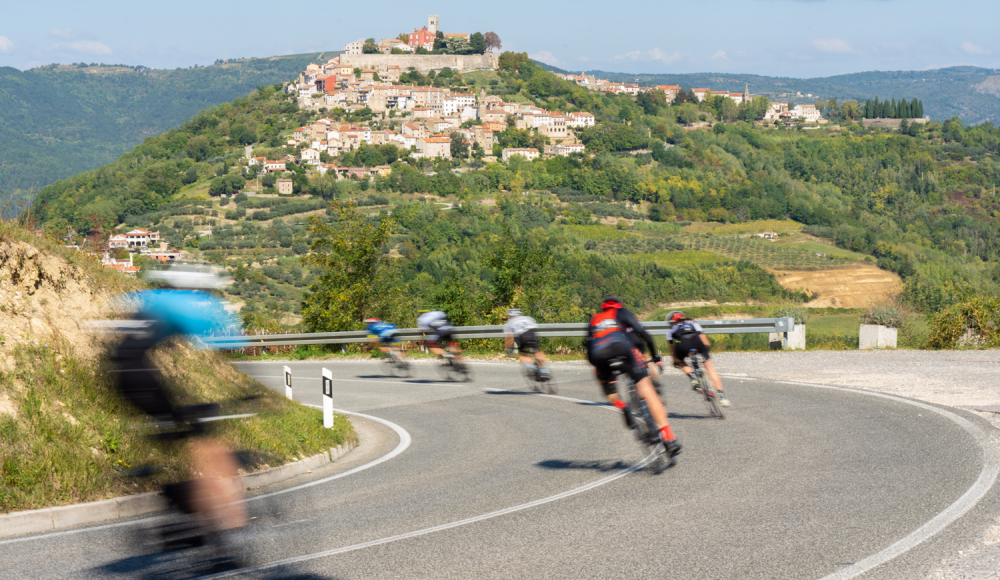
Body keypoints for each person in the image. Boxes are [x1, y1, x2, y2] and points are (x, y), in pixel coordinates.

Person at [111, 266, 248, 559]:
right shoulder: (195, 304)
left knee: (183, 432)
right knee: (204, 443)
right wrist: (250, 396)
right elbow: (231, 345)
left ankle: (180, 511)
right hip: (141, 376)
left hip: (125, 376)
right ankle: (220, 539)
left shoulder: (158, 297)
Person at [586, 297, 681, 458]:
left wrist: (603, 371)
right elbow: (645, 335)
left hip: (598, 354)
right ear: (618, 306)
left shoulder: (594, 319)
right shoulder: (621, 312)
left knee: (604, 382)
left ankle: (621, 405)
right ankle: (669, 438)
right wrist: (655, 356)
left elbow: (588, 348)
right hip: (622, 348)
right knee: (646, 388)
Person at [666, 311, 729, 407]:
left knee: (679, 361)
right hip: (697, 343)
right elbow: (705, 340)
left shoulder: (670, 331)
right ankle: (721, 397)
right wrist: (706, 351)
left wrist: (676, 361)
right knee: (710, 368)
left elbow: (673, 349)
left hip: (682, 345)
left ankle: (693, 377)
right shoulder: (693, 323)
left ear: (672, 322)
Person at [503, 309, 549, 379]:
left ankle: (533, 366)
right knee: (537, 351)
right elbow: (537, 328)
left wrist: (509, 349)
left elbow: (508, 338)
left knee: (522, 355)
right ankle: (544, 370)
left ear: (510, 316)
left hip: (523, 336)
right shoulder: (528, 318)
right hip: (532, 333)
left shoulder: (509, 322)